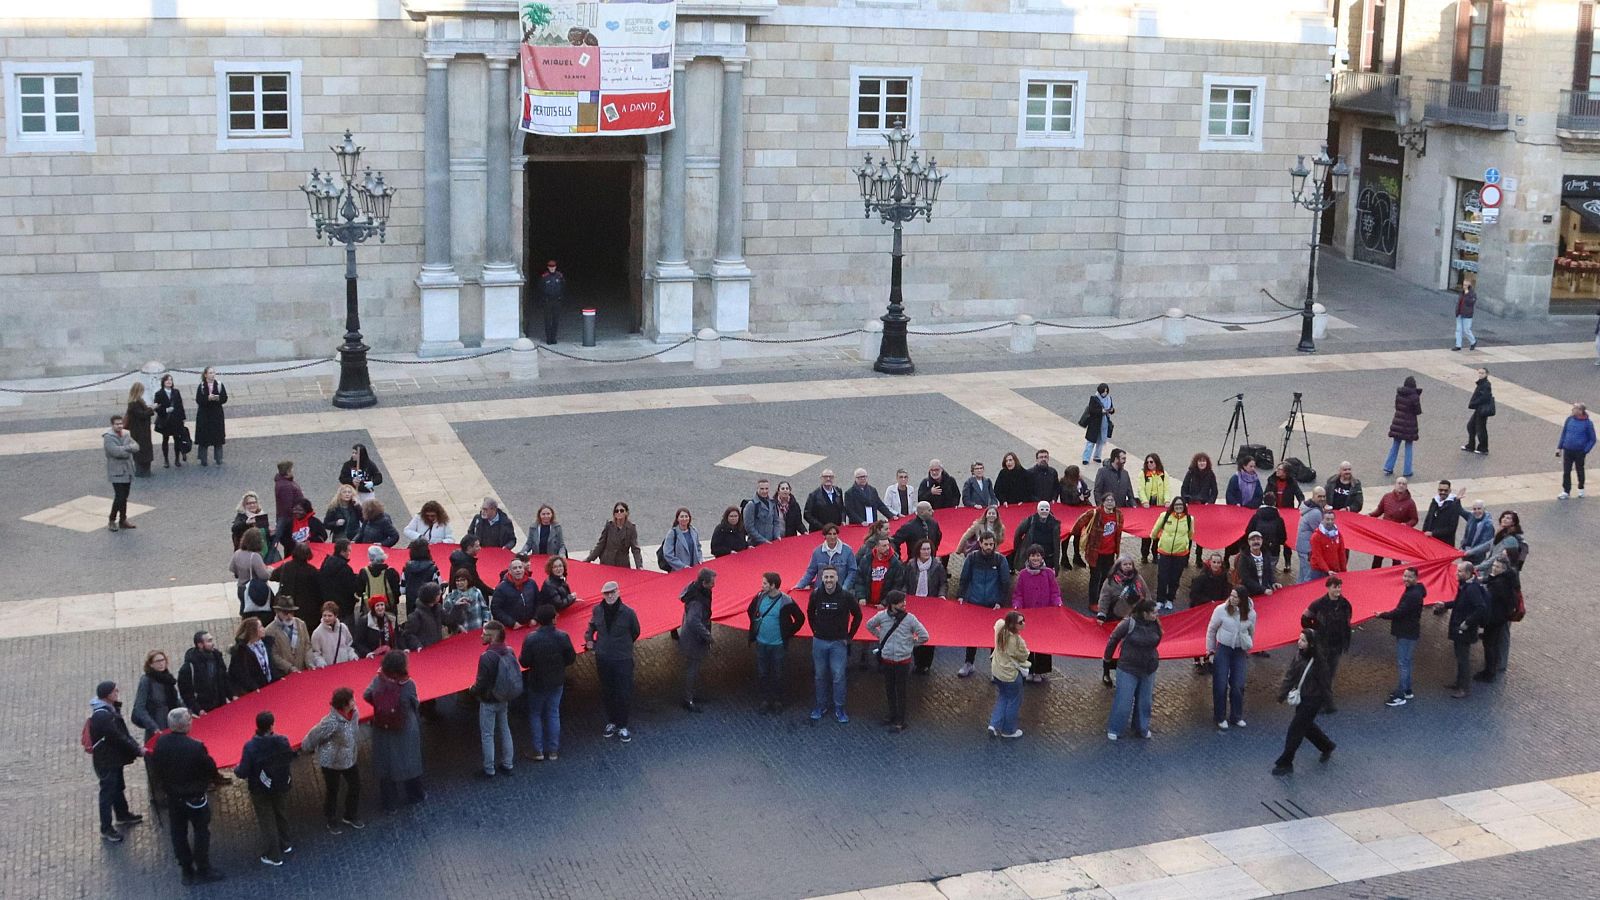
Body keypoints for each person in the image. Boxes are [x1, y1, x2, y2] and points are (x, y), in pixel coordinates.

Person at [148, 709, 224, 883]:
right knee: (201, 832)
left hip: (174, 797)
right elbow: (209, 767)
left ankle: (186, 870)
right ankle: (203, 868)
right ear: (185, 725)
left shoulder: (161, 743)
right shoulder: (195, 747)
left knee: (178, 833)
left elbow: (157, 767)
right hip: (195, 797)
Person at [1270, 629, 1336, 776]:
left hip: (1313, 700)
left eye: (1303, 640)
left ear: (1311, 644)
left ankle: (1286, 762)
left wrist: (1328, 703)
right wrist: (1282, 694)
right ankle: (1326, 745)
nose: (1299, 642)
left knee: (1295, 730)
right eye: (1300, 639)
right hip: (1303, 698)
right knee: (1306, 727)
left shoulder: (1319, 663)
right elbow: (1290, 676)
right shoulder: (1299, 656)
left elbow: (1325, 685)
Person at [365, 651, 425, 810]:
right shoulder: (408, 683)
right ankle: (415, 795)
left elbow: (367, 695)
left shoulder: (378, 679)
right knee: (410, 761)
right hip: (405, 727)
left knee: (386, 767)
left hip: (382, 728)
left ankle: (389, 803)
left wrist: (381, 706)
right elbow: (415, 703)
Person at [87, 680, 145, 843]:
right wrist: (136, 749)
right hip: (107, 761)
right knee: (107, 793)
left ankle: (122, 814)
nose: (117, 692)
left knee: (118, 787)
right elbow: (118, 736)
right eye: (114, 691)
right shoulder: (103, 715)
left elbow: (121, 734)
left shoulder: (108, 710)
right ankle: (106, 828)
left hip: (112, 758)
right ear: (107, 695)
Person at [300, 687, 363, 834]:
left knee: (356, 785)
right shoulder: (331, 722)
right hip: (331, 762)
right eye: (351, 700)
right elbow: (315, 735)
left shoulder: (354, 713)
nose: (354, 701)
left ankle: (350, 815)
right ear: (344, 704)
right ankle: (331, 818)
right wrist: (306, 747)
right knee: (333, 790)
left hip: (349, 758)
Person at [585, 581, 641, 742]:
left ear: (618, 592)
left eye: (613, 592)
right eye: (607, 593)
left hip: (623, 658)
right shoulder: (597, 610)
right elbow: (591, 627)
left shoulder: (628, 613)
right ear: (603, 595)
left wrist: (623, 645)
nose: (610, 596)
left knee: (623, 691)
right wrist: (589, 639)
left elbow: (635, 632)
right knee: (607, 690)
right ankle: (612, 721)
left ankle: (622, 725)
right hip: (603, 657)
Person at [866, 590, 929, 733]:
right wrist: (881, 637)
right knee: (889, 689)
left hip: (902, 661)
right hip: (888, 659)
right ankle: (892, 714)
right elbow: (869, 625)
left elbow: (924, 636)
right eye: (901, 602)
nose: (904, 604)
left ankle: (900, 719)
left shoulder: (910, 619)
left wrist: (910, 644)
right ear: (892, 604)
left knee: (901, 690)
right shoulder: (881, 616)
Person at [235, 710, 293, 866]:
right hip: (280, 785)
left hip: (260, 789)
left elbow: (243, 771)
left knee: (267, 820)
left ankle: (274, 855)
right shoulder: (282, 740)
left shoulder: (250, 747)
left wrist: (236, 770)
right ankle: (286, 843)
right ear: (272, 725)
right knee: (281, 812)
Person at [806, 567, 863, 723]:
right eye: (826, 577)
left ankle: (839, 707)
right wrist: (815, 630)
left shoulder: (846, 596)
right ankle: (821, 705)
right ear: (822, 578)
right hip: (819, 641)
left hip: (838, 642)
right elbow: (810, 613)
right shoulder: (816, 594)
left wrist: (850, 636)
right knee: (820, 675)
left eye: (831, 577)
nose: (829, 580)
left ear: (837, 578)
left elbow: (858, 615)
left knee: (838, 676)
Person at [520, 604, 576, 760]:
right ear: (553, 619)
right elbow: (571, 658)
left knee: (535, 714)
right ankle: (553, 750)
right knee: (553, 713)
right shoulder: (562, 636)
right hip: (556, 681)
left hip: (537, 682)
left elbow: (524, 662)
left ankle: (538, 751)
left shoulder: (531, 639)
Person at [955, 532, 1011, 676]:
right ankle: (969, 663)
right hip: (974, 603)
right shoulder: (972, 558)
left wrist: (1000, 602)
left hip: (993, 606)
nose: (988, 547)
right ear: (980, 543)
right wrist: (961, 595)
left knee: (994, 637)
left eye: (991, 544)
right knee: (972, 634)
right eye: (986, 544)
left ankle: (994, 668)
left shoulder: (1000, 560)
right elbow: (964, 578)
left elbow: (1005, 583)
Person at [1104, 600, 1161, 740]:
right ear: (1145, 613)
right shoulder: (1128, 623)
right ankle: (1115, 728)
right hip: (1128, 668)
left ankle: (1141, 728)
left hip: (1148, 668)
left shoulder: (1155, 624)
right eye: (1153, 613)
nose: (1156, 615)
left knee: (1145, 701)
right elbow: (1113, 639)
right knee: (1124, 700)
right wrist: (1107, 658)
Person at [747, 573, 805, 712]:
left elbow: (800, 618)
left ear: (773, 585)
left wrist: (788, 633)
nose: (762, 585)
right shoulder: (760, 596)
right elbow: (751, 611)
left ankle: (777, 700)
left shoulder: (786, 601)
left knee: (778, 674)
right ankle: (765, 700)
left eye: (765, 583)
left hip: (778, 645)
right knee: (763, 673)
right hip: (762, 642)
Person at [469, 621, 519, 777]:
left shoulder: (486, 657)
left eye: (484, 634)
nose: (481, 636)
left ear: (492, 637)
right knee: (505, 728)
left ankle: (489, 769)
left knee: (487, 734)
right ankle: (508, 763)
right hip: (503, 697)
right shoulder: (509, 651)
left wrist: (472, 690)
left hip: (488, 700)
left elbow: (481, 683)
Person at [1436, 561, 1490, 698]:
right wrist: (1445, 605)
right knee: (1460, 657)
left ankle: (1464, 688)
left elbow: (1481, 608)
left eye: (1459, 571)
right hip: (1461, 627)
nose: (1456, 573)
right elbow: (1459, 603)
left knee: (1463, 659)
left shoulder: (1471, 589)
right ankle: (1459, 683)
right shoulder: (1467, 586)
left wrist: (1467, 622)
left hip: (1464, 629)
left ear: (1467, 573)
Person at [1300, 575, 1352, 713]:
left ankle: (1323, 701)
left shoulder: (1345, 604)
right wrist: (1315, 631)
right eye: (1335, 587)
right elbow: (1305, 619)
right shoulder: (1318, 604)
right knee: (1323, 673)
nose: (1338, 590)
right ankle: (1327, 703)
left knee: (1330, 673)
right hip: (1322, 644)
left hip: (1337, 644)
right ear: (1328, 588)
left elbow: (1347, 621)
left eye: (1339, 587)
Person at [1207, 587, 1256, 729]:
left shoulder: (1251, 614)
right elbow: (1211, 630)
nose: (1232, 599)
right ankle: (1220, 717)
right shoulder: (1220, 610)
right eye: (1231, 596)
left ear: (1242, 599)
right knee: (1220, 684)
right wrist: (1210, 651)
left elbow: (1251, 632)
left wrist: (1247, 647)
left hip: (1239, 651)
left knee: (1238, 684)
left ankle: (1236, 716)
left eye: (1236, 597)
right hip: (1223, 649)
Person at [1010, 545, 1061, 682]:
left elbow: (1055, 592)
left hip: (1045, 615)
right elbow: (1018, 594)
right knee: (1028, 643)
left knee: (1043, 642)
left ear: (1042, 557)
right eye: (1033, 555)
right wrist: (1017, 606)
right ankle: (1029, 669)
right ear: (1028, 557)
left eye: (1038, 555)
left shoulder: (1049, 573)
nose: (1035, 558)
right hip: (1028, 616)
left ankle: (1040, 671)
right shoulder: (1023, 574)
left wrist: (1057, 603)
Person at [1377, 567, 1425, 706]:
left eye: (1409, 577)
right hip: (1411, 632)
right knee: (1407, 662)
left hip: (1406, 632)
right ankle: (1407, 690)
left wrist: (1382, 615)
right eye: (1405, 576)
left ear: (1416, 578)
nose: (1406, 579)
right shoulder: (1417, 591)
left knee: (1403, 663)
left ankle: (1401, 695)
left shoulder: (1411, 595)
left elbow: (1399, 612)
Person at [1073, 494, 1124, 604]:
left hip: (1110, 553)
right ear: (1103, 502)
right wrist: (1080, 535)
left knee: (1106, 577)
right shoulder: (1094, 513)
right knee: (1095, 577)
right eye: (1107, 500)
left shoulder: (1119, 514)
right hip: (1095, 552)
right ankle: (1093, 602)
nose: (1110, 502)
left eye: (1112, 500)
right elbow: (1078, 524)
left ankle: (1102, 599)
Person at [678, 570, 716, 712]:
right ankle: (688, 699)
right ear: (704, 583)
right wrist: (708, 636)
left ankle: (691, 695)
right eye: (712, 583)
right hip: (694, 640)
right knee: (692, 669)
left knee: (693, 668)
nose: (714, 585)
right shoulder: (698, 601)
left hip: (691, 638)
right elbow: (694, 621)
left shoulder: (693, 590)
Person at [1478, 554, 1520, 682]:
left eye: (1497, 567)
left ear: (1503, 569)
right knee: (1492, 643)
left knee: (1489, 644)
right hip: (1501, 617)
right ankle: (1490, 670)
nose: (1494, 569)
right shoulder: (1507, 578)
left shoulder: (1499, 584)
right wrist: (1485, 579)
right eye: (1494, 566)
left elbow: (1488, 596)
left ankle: (1489, 672)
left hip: (1495, 618)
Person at [988, 611, 1030, 738]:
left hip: (997, 671)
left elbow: (998, 622)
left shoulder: (1000, 628)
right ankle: (1008, 731)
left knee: (1003, 697)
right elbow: (1024, 656)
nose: (1024, 623)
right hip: (1010, 676)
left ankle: (994, 724)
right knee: (1013, 701)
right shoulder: (1017, 641)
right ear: (1013, 625)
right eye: (1020, 622)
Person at [1148, 497, 1194, 611]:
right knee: (1162, 577)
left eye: (1181, 505)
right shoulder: (1165, 516)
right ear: (1173, 505)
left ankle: (1170, 599)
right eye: (1176, 505)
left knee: (1175, 578)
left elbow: (1191, 534)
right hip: (1165, 552)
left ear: (1184, 506)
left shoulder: (1189, 519)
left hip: (1180, 554)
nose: (1178, 507)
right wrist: (1155, 538)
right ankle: (1160, 599)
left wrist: (1184, 543)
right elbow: (1155, 529)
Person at [177, 631, 232, 714]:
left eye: (212, 640)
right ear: (200, 645)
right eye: (209, 641)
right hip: (204, 710)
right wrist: (198, 709)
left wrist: (232, 695)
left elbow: (224, 678)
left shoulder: (217, 657)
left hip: (221, 705)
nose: (213, 643)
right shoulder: (189, 666)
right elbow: (186, 693)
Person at [1368, 477, 1418, 567]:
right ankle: (1374, 574)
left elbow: (1414, 519)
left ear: (1406, 487)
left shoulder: (1410, 503)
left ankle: (1396, 574)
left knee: (1396, 558)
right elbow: (1379, 510)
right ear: (1395, 485)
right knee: (1378, 556)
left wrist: (1406, 525)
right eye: (1399, 483)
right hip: (1384, 533)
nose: (1401, 486)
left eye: (1403, 484)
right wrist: (1369, 515)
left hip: (1398, 535)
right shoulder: (1387, 497)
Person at [228, 617, 282, 696]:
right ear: (252, 630)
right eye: (260, 627)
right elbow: (241, 673)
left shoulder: (266, 644)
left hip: (269, 687)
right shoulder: (241, 651)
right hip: (253, 690)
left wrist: (277, 677)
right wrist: (253, 687)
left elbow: (270, 665)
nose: (263, 629)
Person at [794, 524, 858, 590]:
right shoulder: (817, 552)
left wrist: (845, 588)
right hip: (820, 591)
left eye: (834, 534)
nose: (832, 537)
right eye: (829, 534)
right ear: (824, 536)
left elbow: (852, 571)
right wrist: (799, 586)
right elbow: (811, 572)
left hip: (840, 590)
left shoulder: (848, 551)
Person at [103, 414, 139, 532]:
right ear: (112, 425)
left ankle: (123, 520)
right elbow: (116, 452)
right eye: (117, 424)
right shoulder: (108, 437)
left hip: (128, 470)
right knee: (120, 496)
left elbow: (136, 447)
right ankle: (112, 520)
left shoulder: (126, 433)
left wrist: (124, 448)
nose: (119, 426)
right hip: (116, 471)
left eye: (121, 423)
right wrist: (128, 449)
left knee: (125, 496)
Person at [853, 535, 906, 609]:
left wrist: (885, 603)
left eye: (888, 545)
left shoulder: (896, 563)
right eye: (884, 546)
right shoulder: (866, 560)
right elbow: (859, 580)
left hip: (884, 606)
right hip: (867, 604)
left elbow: (897, 586)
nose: (887, 548)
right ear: (876, 547)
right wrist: (861, 597)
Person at [1384, 377, 1423, 477]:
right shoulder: (1414, 397)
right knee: (1408, 447)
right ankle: (1407, 470)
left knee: (1395, 445)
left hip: (1398, 423)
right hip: (1409, 425)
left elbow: (1397, 407)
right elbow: (1418, 411)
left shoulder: (1399, 394)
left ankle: (1388, 467)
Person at [586, 501, 644, 568]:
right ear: (614, 514)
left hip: (622, 564)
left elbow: (635, 549)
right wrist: (589, 559)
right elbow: (601, 544)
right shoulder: (609, 525)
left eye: (621, 511)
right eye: (616, 511)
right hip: (607, 563)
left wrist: (639, 566)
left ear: (626, 513)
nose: (619, 513)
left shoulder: (631, 528)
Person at [1558, 402, 1596, 499]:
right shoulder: (1569, 419)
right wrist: (1559, 447)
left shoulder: (1588, 423)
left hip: (1579, 451)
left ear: (1580, 411)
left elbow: (1592, 439)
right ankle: (1566, 491)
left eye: (1574, 408)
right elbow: (1564, 433)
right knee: (1566, 471)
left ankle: (1581, 488)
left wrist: (1585, 450)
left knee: (1580, 470)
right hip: (1568, 450)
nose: (1572, 410)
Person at [265, 596, 312, 673]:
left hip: (302, 671)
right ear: (277, 612)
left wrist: (310, 663)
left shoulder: (301, 624)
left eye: (291, 612)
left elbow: (307, 646)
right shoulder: (269, 631)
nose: (289, 616)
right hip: (284, 673)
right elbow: (273, 655)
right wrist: (289, 667)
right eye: (285, 613)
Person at [317, 538, 361, 620]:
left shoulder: (325, 564)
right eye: (348, 551)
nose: (349, 553)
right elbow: (352, 588)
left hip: (329, 606)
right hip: (345, 608)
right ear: (342, 551)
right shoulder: (345, 569)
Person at [1011, 500, 1062, 571]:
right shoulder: (1030, 521)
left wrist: (1056, 564)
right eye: (1042, 509)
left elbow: (1057, 545)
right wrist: (1019, 549)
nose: (1044, 511)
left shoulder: (1055, 525)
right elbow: (1018, 534)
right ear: (1038, 510)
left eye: (1047, 509)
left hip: (1048, 558)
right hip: (1032, 557)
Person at [1246, 494, 1289, 575]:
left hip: (1257, 549)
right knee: (1270, 573)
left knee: (1256, 572)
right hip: (1273, 550)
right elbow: (1283, 538)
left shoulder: (1256, 517)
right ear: (1275, 503)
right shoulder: (1279, 520)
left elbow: (1248, 532)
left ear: (1263, 502)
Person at [1097, 555, 1148, 622]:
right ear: (1119, 566)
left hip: (1134, 613)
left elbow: (1146, 592)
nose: (1128, 566)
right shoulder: (1111, 580)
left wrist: (1150, 609)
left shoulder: (1138, 577)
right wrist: (1102, 614)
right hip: (1117, 613)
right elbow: (1105, 598)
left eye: (1130, 564)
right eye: (1125, 564)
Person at [359, 545, 403, 623]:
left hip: (370, 609)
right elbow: (397, 591)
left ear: (370, 557)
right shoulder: (391, 572)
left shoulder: (363, 572)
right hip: (388, 608)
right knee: (390, 628)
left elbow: (359, 591)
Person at [152, 373, 188, 468]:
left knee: (177, 439)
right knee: (165, 439)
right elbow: (156, 408)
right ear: (163, 382)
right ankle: (166, 460)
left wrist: (183, 418)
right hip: (165, 421)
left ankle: (177, 459)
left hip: (176, 420)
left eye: (171, 380)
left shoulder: (176, 392)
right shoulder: (159, 394)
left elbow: (180, 405)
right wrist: (165, 410)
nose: (169, 381)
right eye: (167, 380)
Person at [491, 558, 539, 628]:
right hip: (512, 628)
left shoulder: (532, 583)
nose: (518, 570)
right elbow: (496, 609)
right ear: (510, 571)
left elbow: (538, 602)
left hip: (530, 626)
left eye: (520, 567)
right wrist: (512, 623)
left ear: (524, 569)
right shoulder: (501, 588)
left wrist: (535, 618)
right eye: (515, 568)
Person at [193, 367, 227, 466]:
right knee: (204, 438)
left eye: (213, 373)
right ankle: (203, 459)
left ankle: (219, 458)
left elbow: (224, 398)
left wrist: (217, 398)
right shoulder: (201, 386)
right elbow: (198, 400)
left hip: (216, 415)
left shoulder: (219, 385)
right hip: (204, 415)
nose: (212, 375)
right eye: (210, 373)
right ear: (205, 375)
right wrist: (207, 398)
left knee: (218, 438)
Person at [400, 538, 441, 617]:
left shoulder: (406, 568)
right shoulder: (433, 568)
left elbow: (402, 590)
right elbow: (438, 589)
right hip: (429, 608)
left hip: (411, 607)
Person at [404, 582, 449, 650]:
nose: (440, 595)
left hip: (437, 647)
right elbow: (408, 634)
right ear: (432, 596)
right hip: (424, 650)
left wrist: (458, 607)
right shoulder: (416, 615)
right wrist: (417, 645)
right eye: (438, 594)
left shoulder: (438, 609)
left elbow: (448, 620)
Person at [1294, 487, 1327, 583]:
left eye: (1324, 496)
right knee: (1308, 578)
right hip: (1308, 550)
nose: (1322, 499)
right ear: (1314, 496)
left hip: (1303, 547)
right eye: (1319, 496)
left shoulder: (1309, 508)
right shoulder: (1315, 512)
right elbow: (1321, 532)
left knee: (1303, 574)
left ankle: (1299, 590)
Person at [310, 602, 356, 668]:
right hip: (329, 669)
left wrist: (353, 656)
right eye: (324, 615)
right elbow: (316, 653)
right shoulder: (317, 633)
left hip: (345, 666)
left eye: (330, 616)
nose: (327, 618)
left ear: (336, 616)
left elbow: (349, 646)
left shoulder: (343, 628)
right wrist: (321, 663)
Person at [124, 382, 155, 478]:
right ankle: (141, 471)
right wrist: (151, 409)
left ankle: (144, 470)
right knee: (141, 451)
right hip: (139, 431)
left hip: (141, 431)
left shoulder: (137, 401)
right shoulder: (134, 404)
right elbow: (142, 415)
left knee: (143, 450)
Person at [1479, 510, 1525, 574]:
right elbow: (1487, 545)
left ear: (1513, 522)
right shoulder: (1501, 533)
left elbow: (1498, 556)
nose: (1504, 519)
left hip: (1500, 572)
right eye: (1503, 517)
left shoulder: (1511, 539)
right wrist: (1467, 553)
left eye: (1508, 518)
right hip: (1493, 568)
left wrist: (1479, 567)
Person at [1422, 480, 1464, 548]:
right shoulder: (1434, 501)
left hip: (1445, 543)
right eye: (1441, 490)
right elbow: (1428, 519)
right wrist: (1423, 533)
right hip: (1430, 541)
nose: (1443, 492)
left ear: (1449, 491)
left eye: (1445, 490)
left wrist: (1433, 533)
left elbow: (1452, 528)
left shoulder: (1453, 504)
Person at [1080, 383, 1115, 464]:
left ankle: (1097, 456)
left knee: (1100, 441)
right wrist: (1101, 411)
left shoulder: (1109, 398)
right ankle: (1086, 458)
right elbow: (1092, 410)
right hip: (1094, 424)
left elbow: (1112, 409)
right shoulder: (1094, 398)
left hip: (1104, 423)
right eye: (1103, 391)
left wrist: (1111, 410)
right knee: (1090, 442)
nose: (1105, 393)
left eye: (1106, 391)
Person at [1463, 367, 1494, 454]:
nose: (1480, 375)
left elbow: (1485, 397)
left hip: (1482, 410)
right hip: (1478, 409)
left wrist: (1474, 403)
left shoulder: (1486, 385)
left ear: (1486, 374)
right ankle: (1471, 445)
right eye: (1479, 373)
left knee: (1481, 429)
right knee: (1471, 426)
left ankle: (1483, 448)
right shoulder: (1481, 383)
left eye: (1482, 373)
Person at [743, 479, 781, 545]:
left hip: (770, 542)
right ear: (757, 489)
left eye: (766, 488)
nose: (764, 491)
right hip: (756, 544)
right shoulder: (751, 505)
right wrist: (763, 540)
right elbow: (749, 527)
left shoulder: (772, 503)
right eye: (762, 489)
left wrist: (777, 535)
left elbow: (776, 521)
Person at [537, 259, 565, 343]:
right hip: (547, 301)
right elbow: (540, 289)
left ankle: (554, 338)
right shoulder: (544, 277)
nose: (552, 268)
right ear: (548, 267)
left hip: (557, 301)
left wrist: (561, 298)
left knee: (555, 320)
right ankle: (548, 338)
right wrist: (542, 300)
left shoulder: (559, 276)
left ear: (555, 267)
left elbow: (563, 288)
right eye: (550, 267)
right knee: (548, 320)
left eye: (553, 267)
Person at [1460, 499, 1495, 564]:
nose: (1476, 511)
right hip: (1466, 553)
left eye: (1479, 509)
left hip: (1477, 557)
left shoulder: (1488, 525)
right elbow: (1460, 511)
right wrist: (1457, 500)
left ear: (1484, 509)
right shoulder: (1471, 516)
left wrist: (1471, 552)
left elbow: (1485, 544)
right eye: (1474, 509)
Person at [272, 460, 305, 526]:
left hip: (287, 518)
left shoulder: (286, 482)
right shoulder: (285, 486)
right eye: (291, 469)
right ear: (288, 471)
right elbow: (287, 507)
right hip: (289, 520)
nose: (293, 470)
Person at [1136, 453, 1168, 520]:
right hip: (1147, 503)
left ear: (1156, 462)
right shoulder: (1142, 474)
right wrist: (1144, 501)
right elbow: (1141, 489)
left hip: (1160, 503)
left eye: (1151, 462)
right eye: (1147, 462)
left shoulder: (1163, 474)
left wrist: (1167, 501)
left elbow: (1167, 489)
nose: (1149, 464)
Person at [1453, 279, 1478, 351]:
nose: (1464, 286)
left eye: (1466, 285)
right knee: (1458, 330)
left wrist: (1467, 294)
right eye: (1463, 285)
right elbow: (1459, 301)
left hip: (1467, 314)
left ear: (1469, 285)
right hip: (1459, 313)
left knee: (1466, 330)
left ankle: (1473, 341)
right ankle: (1458, 345)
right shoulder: (1462, 292)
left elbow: (1471, 303)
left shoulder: (1472, 294)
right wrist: (1457, 310)